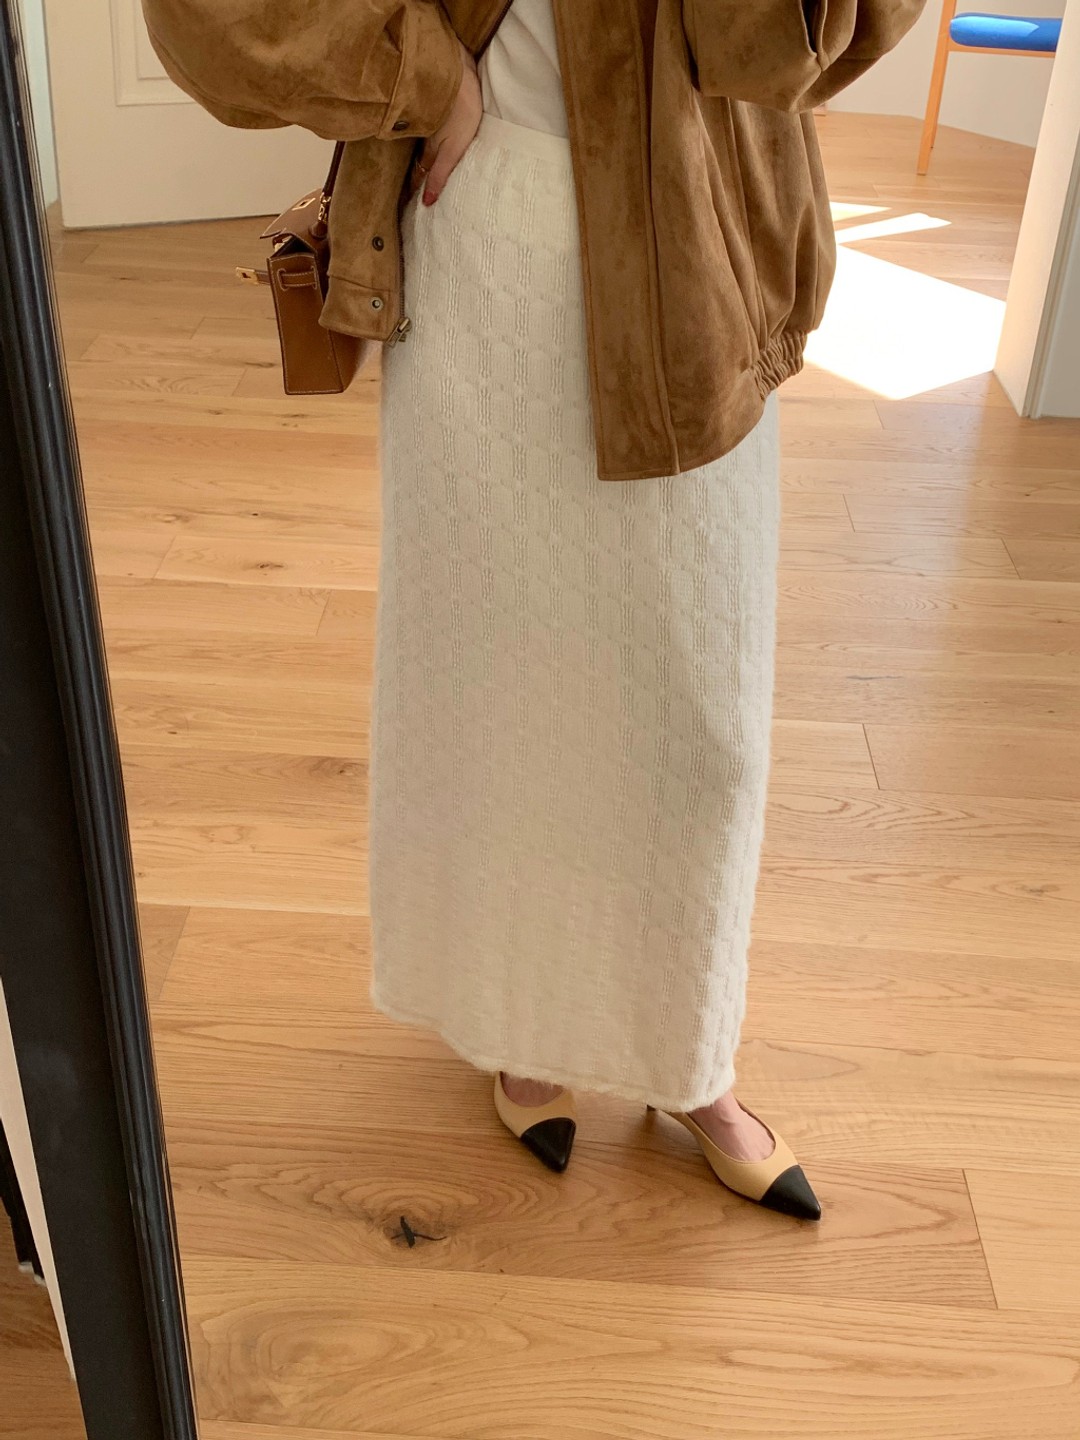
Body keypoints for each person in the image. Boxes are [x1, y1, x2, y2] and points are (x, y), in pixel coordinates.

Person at [143, 0, 925, 1220]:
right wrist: (421, 72)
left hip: (696, 251)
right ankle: (521, 1022)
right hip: (489, 239)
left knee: (698, 725)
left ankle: (689, 1058)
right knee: (502, 683)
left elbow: (796, 46)